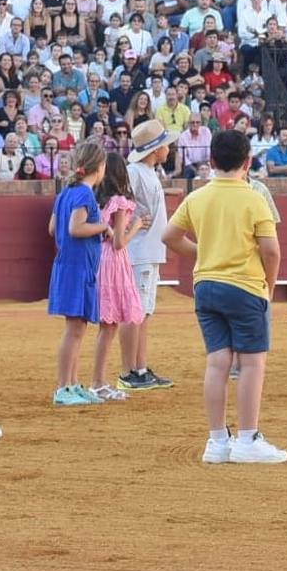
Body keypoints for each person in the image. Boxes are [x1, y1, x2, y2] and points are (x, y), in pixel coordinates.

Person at [163, 129, 286, 464]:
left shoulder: (197, 197)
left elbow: (169, 237)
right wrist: (268, 289)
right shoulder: (254, 198)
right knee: (251, 362)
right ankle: (247, 438)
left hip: (206, 287)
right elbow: (271, 252)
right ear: (248, 162)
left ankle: (217, 441)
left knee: (218, 362)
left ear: (212, 161)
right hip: (245, 286)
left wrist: (204, 253)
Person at [48, 141, 109, 406]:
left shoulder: (66, 193)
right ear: (100, 167)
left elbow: (53, 228)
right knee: (74, 330)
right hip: (78, 267)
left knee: (77, 328)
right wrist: (102, 226)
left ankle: (72, 383)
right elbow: (76, 228)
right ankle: (64, 387)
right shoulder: (84, 194)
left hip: (70, 264)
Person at [119, 119, 175, 391]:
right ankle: (129, 370)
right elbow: (120, 203)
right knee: (135, 312)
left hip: (149, 249)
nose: (169, 147)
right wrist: (133, 221)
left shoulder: (149, 171)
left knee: (144, 312)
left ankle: (140, 367)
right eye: (165, 144)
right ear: (155, 149)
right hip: (139, 249)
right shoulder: (135, 172)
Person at [89, 151, 146, 401]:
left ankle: (99, 381)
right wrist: (136, 227)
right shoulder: (120, 201)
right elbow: (120, 243)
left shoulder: (98, 199)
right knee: (109, 325)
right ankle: (98, 382)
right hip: (114, 261)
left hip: (98, 258)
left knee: (108, 324)